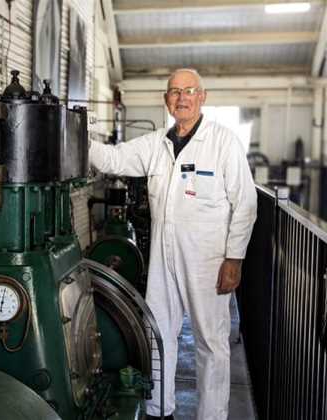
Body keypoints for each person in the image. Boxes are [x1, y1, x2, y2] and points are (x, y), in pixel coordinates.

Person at [89, 68, 257, 420]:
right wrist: (78, 137)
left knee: (210, 344)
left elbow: (246, 203)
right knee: (158, 333)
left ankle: (211, 416)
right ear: (167, 100)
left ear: (202, 97)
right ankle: (158, 409)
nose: (182, 98)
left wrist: (234, 259)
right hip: (164, 259)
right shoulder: (156, 144)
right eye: (175, 92)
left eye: (189, 91)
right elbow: (113, 159)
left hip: (208, 261)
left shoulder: (223, 142)